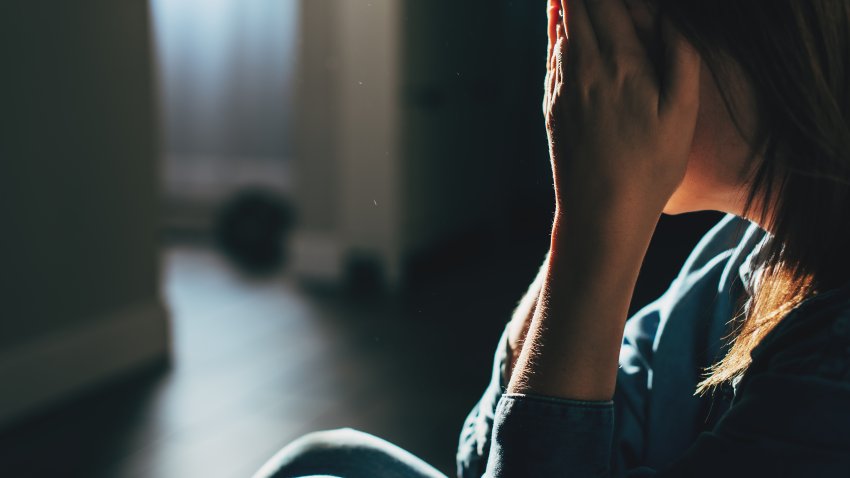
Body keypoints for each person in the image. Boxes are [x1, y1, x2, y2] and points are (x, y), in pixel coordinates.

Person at [254, 0, 850, 476]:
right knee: (324, 465)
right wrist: (585, 216)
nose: (581, 55)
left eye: (615, 25)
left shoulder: (833, 374)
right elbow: (487, 459)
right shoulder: (738, 256)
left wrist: (599, 222)